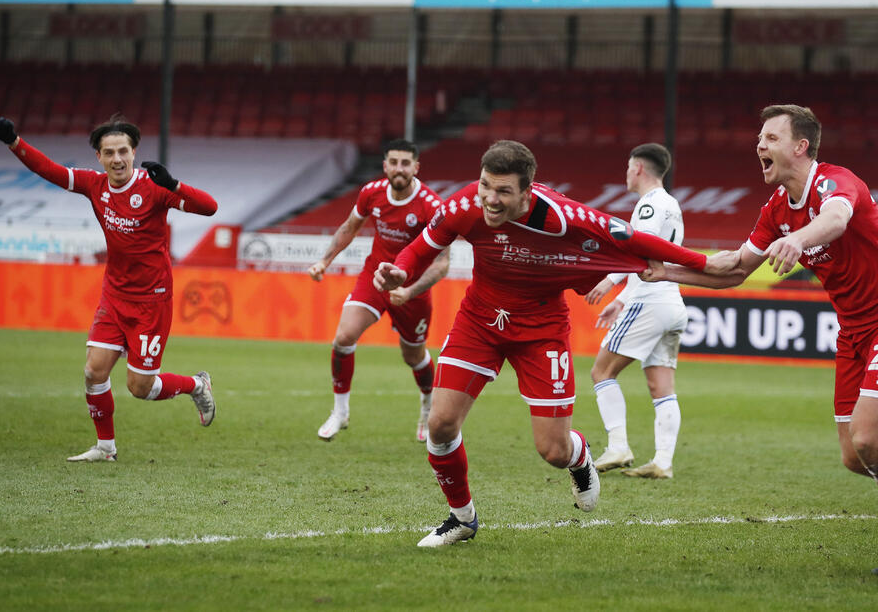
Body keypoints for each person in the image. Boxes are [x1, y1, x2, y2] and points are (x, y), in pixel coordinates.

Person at [647, 105, 878, 576]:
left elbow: (837, 219)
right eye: (759, 137)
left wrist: (798, 240)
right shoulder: (776, 209)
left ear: (801, 147)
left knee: (869, 437)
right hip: (852, 330)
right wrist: (668, 272)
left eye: (770, 138)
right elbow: (734, 269)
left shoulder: (835, 182)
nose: (759, 145)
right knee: (855, 455)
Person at [373, 140, 737, 547]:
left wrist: (701, 262)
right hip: (479, 320)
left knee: (552, 450)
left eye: (503, 192)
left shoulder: (564, 217)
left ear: (527, 192)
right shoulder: (465, 205)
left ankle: (579, 458)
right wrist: (399, 271)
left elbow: (633, 239)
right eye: (485, 187)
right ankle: (462, 517)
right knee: (440, 425)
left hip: (541, 330)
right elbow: (424, 245)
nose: (490, 200)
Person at [0, 115, 218, 462]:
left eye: (123, 151)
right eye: (109, 152)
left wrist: (173, 184)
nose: (117, 159)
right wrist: (15, 143)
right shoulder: (94, 185)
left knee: (140, 388)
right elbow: (50, 170)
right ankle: (105, 448)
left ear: (134, 151)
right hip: (114, 296)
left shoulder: (154, 187)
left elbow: (209, 207)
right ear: (99, 157)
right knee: (93, 371)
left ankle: (196, 385)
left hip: (152, 301)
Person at [308, 139, 449, 443]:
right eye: (394, 162)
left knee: (413, 356)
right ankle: (340, 412)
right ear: (385, 165)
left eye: (405, 163)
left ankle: (427, 407)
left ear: (416, 167)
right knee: (344, 337)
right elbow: (349, 228)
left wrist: (409, 292)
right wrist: (324, 261)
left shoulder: (432, 206)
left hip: (412, 288)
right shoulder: (371, 193)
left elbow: (442, 264)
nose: (399, 168)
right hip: (375, 277)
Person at [584, 143, 688, 479]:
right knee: (662, 386)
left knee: (601, 373)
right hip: (671, 302)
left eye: (629, 167)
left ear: (638, 168)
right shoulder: (671, 205)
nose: (626, 173)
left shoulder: (649, 205)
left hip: (650, 301)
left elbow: (638, 249)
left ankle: (618, 446)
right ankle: (663, 462)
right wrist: (623, 297)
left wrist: (611, 281)